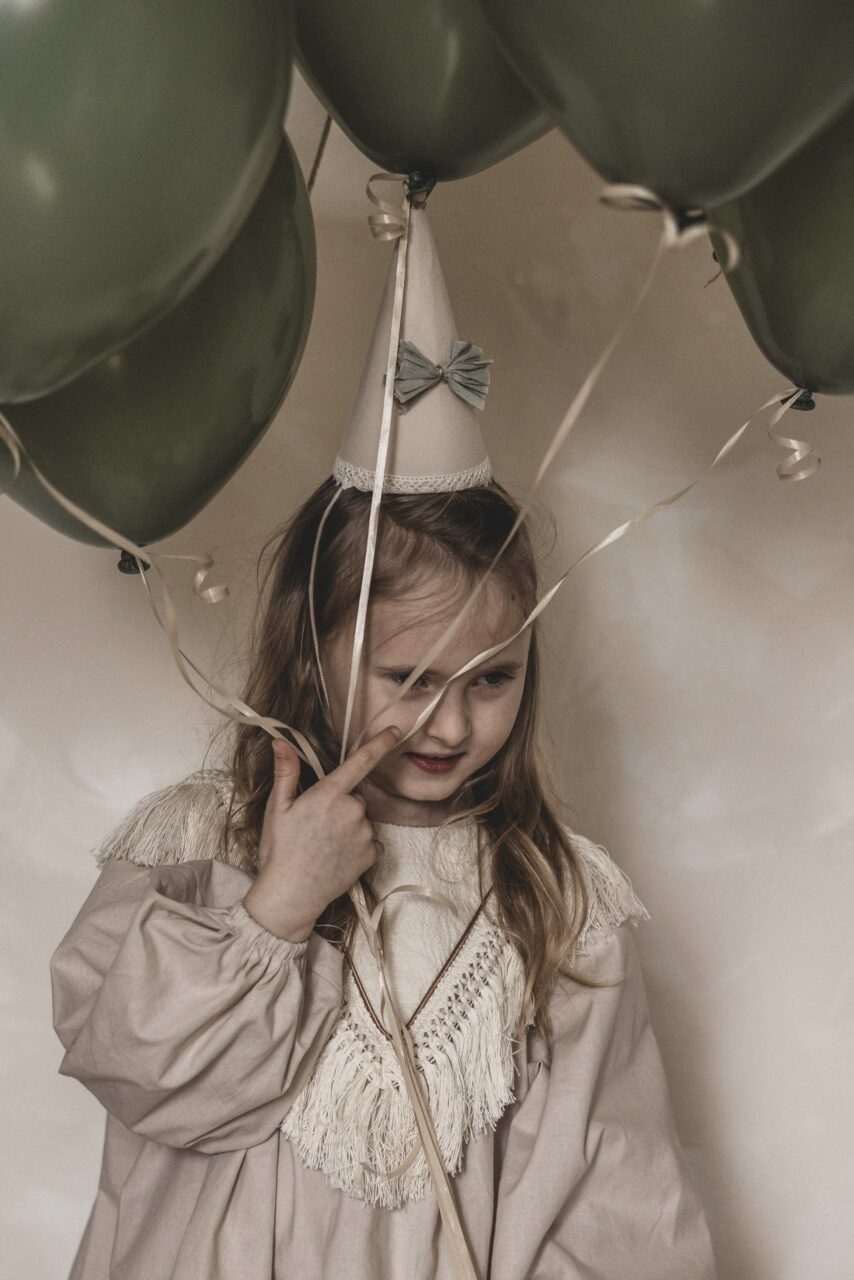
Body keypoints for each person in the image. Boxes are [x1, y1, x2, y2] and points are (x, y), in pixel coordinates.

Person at [49, 196, 719, 1279]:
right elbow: (134, 1069)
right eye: (408, 679)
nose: (450, 723)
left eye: (491, 678)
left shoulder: (558, 902)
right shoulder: (196, 847)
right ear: (311, 647)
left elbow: (616, 1200)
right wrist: (276, 909)